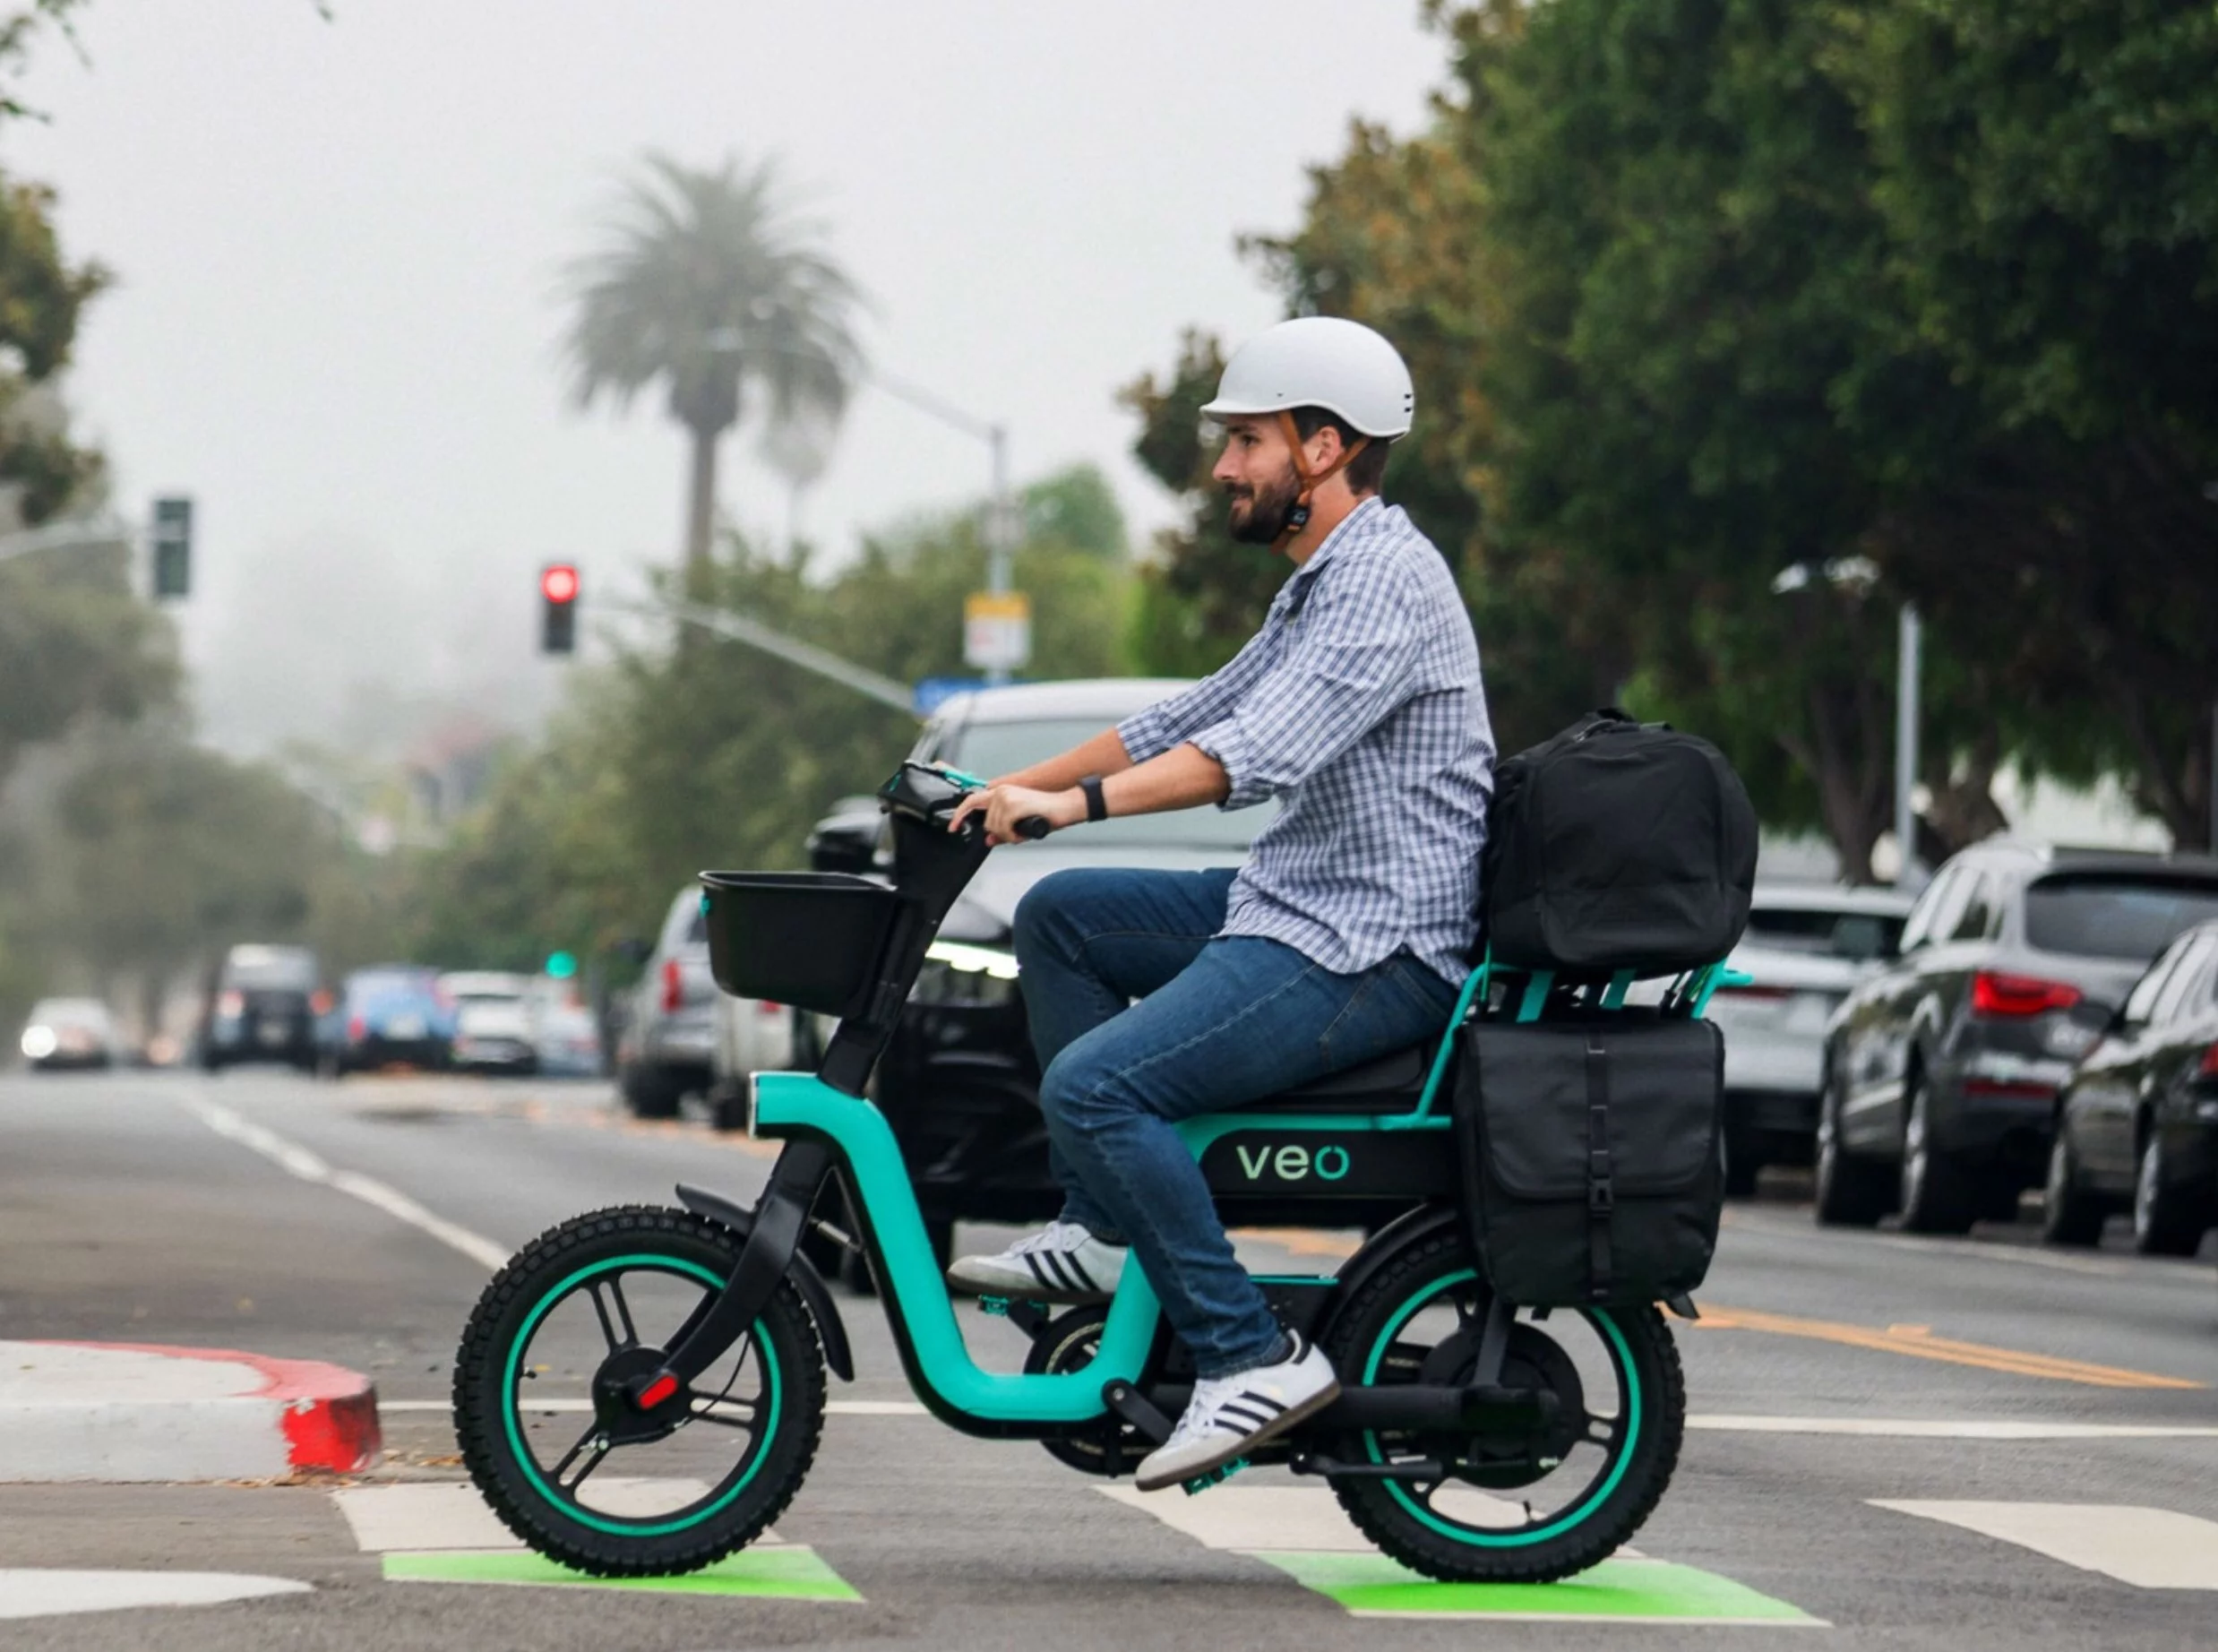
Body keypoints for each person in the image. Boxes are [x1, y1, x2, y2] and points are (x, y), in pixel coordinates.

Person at [945, 316, 1495, 1492]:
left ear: (1324, 448)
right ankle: (1100, 1231)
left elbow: (1257, 754)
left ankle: (1251, 1355)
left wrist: (1070, 807)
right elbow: (1187, 716)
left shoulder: (1385, 584)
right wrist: (1002, 787)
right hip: (1295, 900)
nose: (1223, 467)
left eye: (1246, 439)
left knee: (1097, 1085)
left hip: (1368, 949)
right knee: (1061, 918)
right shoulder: (1323, 583)